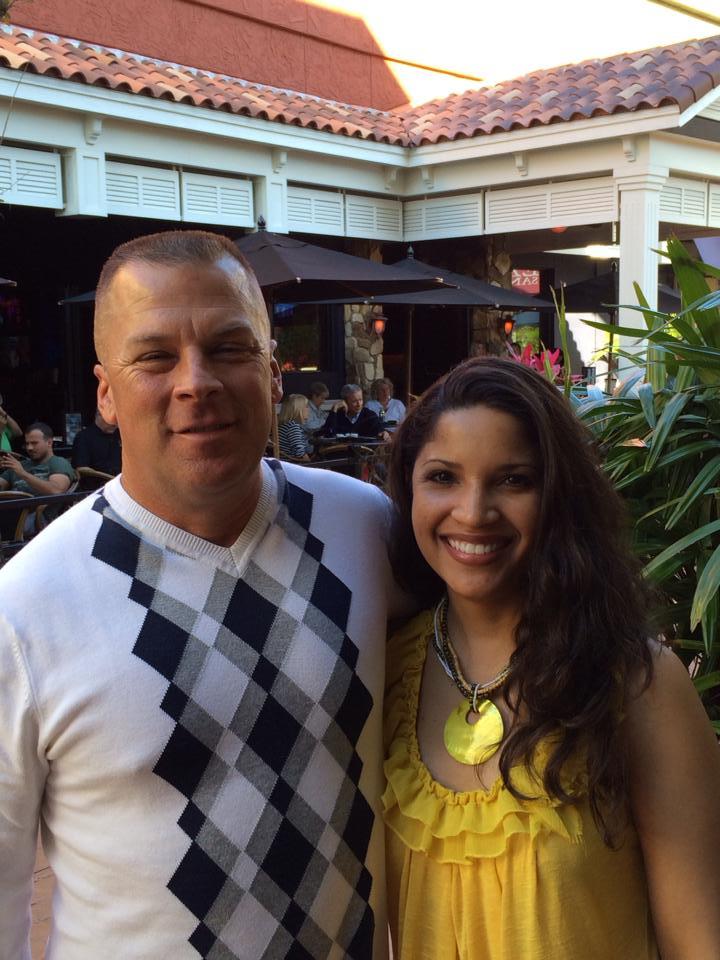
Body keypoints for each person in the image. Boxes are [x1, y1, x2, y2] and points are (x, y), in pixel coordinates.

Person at [0, 230, 407, 959]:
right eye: (155, 356)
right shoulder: (23, 612)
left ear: (274, 375)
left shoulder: (369, 531)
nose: (196, 381)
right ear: (105, 394)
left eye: (228, 348)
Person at [383, 357, 720, 960]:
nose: (472, 511)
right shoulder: (383, 668)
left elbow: (700, 940)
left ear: (560, 496)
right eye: (442, 477)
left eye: (513, 480)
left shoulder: (634, 684)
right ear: (408, 488)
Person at [0, 421, 76, 497]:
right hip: (10, 506)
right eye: (27, 444)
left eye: (34, 443)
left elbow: (56, 491)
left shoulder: (58, 463)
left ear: (49, 443)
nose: (29, 448)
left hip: (37, 507)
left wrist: (22, 473)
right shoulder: (19, 465)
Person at [322, 383, 390, 441]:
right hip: (340, 454)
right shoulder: (338, 415)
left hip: (364, 454)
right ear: (345, 402)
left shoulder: (369, 415)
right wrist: (335, 408)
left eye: (360, 400)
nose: (359, 404)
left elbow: (380, 430)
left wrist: (384, 433)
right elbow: (327, 433)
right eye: (354, 401)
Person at [71, 407, 122, 475]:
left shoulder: (121, 435)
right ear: (99, 414)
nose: (116, 424)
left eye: (117, 420)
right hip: (96, 482)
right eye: (112, 420)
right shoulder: (84, 437)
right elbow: (81, 468)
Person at [277, 393, 312, 460]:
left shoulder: (284, 424)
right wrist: (314, 466)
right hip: (293, 464)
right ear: (299, 410)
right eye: (307, 406)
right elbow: (300, 454)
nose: (309, 410)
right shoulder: (293, 427)